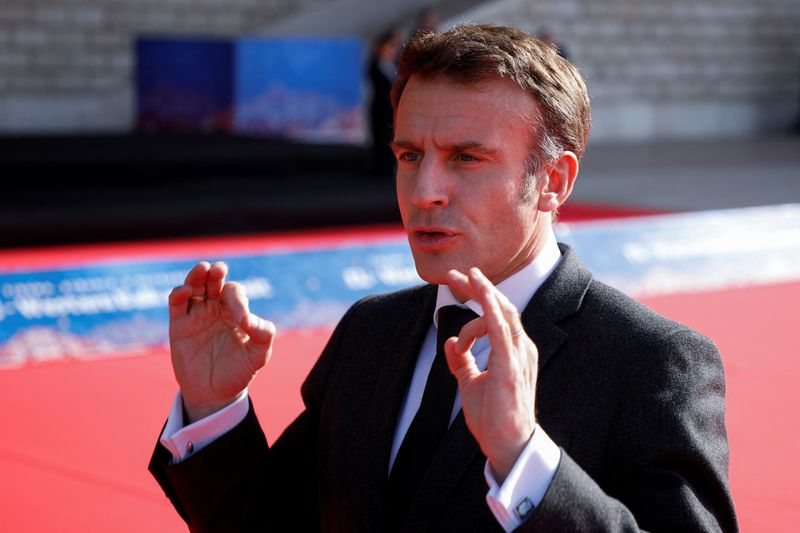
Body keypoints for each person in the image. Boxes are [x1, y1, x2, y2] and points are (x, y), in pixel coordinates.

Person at [150, 24, 738, 532]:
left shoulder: (650, 361)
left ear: (553, 181)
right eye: (410, 155)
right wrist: (213, 406)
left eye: (466, 158)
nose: (424, 192)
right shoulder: (369, 333)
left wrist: (525, 460)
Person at [367, 26, 404, 179]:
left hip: (391, 110)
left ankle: (387, 169)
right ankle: (379, 170)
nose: (391, 51)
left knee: (390, 139)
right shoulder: (375, 66)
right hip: (380, 109)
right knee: (380, 139)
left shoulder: (394, 66)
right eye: (388, 47)